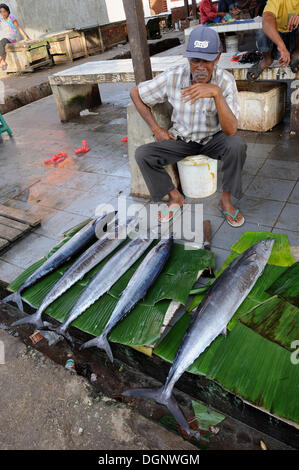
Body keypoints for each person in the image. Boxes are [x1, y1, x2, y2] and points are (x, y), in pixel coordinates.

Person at [130, 26, 247, 227]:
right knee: (143, 154)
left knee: (237, 145)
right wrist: (156, 129)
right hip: (182, 140)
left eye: (207, 61)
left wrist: (216, 93)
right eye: (195, 60)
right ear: (188, 59)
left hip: (214, 139)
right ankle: (175, 198)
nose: (200, 67)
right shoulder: (174, 76)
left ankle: (225, 201)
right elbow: (135, 93)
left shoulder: (225, 81)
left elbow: (231, 130)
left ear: (218, 58)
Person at [247, 0, 299, 80]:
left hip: (295, 41)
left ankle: (297, 54)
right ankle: (267, 59)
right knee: (263, 31)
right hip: (277, 43)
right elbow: (267, 18)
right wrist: (281, 46)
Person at [0, 3, 30, 70]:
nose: (3, 13)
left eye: (4, 11)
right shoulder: (1, 20)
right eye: (1, 12)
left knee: (2, 41)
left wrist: (26, 37)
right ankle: (2, 62)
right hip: (5, 38)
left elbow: (18, 28)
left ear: (8, 11)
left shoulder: (12, 18)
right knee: (2, 42)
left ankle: (2, 61)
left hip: (12, 38)